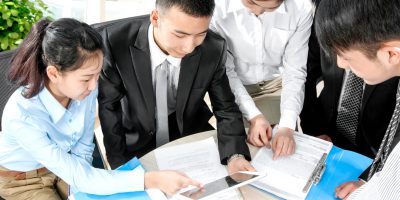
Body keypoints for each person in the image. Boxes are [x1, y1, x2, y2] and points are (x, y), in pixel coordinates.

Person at [0, 18, 202, 199]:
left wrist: (81, 189)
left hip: (66, 168)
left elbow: (83, 150)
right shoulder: (22, 115)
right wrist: (151, 180)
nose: (94, 86)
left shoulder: (83, 92)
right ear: (53, 73)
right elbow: (81, 176)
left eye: (97, 75)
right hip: (22, 181)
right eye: (87, 78)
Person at [96, 0, 254, 174]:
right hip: (136, 135)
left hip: (190, 132)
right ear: (155, 18)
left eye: (200, 34)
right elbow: (109, 108)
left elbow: (226, 107)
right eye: (180, 35)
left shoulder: (213, 48)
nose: (189, 47)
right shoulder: (113, 43)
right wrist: (120, 167)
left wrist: (235, 155)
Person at [300, 0, 399, 192]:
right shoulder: (329, 11)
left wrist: (367, 181)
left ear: (391, 54)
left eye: (347, 57)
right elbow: (307, 72)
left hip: (378, 145)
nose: (340, 63)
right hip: (331, 131)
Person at [209, 0, 313, 159]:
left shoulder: (301, 7)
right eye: (251, 3)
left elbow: (295, 71)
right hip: (236, 86)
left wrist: (287, 126)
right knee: (241, 152)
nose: (258, 12)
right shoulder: (216, 8)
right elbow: (226, 71)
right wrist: (253, 116)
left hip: (277, 84)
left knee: (286, 152)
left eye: (270, 8)